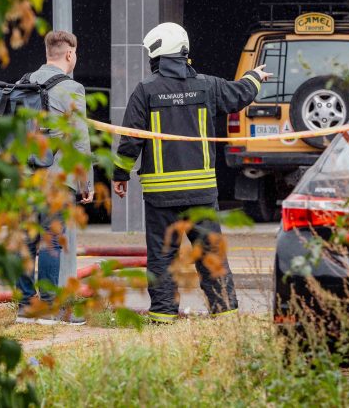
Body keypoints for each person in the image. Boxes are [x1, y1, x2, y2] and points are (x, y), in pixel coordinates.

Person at [112, 22, 271, 323]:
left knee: (161, 259)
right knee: (210, 255)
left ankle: (163, 316)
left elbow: (130, 137)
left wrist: (120, 176)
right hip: (201, 193)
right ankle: (225, 315)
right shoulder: (208, 86)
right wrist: (255, 77)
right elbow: (240, 95)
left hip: (161, 196)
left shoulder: (146, 90)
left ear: (158, 54)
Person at [16, 30, 94, 325]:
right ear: (70, 54)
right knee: (51, 241)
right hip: (57, 178)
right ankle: (49, 307)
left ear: (48, 52)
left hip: (25, 176)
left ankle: (25, 305)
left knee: (25, 239)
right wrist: (86, 183)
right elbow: (80, 140)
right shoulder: (72, 88)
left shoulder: (24, 83)